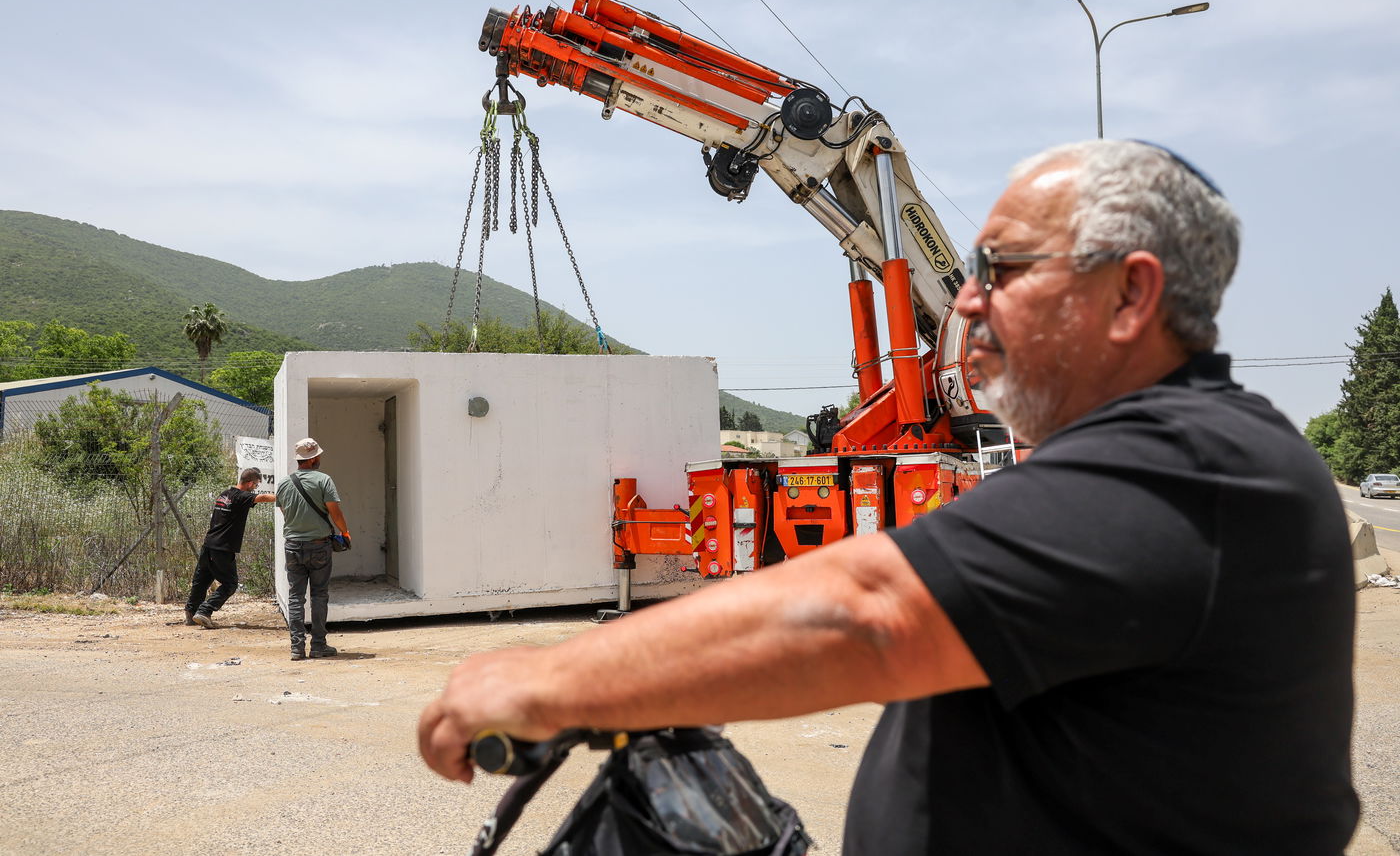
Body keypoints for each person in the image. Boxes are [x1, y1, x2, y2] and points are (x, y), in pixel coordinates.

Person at [417, 140, 1358, 854]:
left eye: (1003, 270)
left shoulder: (1191, 471)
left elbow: (873, 609)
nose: (967, 305)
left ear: (1128, 295)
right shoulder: (1162, 461)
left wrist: (545, 679)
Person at [275, 437, 351, 661]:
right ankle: (319, 645)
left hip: (292, 546)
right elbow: (334, 512)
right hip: (319, 546)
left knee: (296, 598)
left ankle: (297, 648)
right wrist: (345, 532)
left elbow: (284, 511)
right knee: (319, 595)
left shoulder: (284, 483)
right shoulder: (323, 480)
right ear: (314, 458)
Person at [184, 467, 277, 629]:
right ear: (249, 483)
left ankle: (191, 614)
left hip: (209, 544)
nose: (255, 488)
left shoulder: (225, 494)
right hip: (222, 547)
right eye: (255, 485)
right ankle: (204, 611)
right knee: (230, 583)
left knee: (201, 581)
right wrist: (285, 495)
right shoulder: (241, 496)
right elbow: (262, 498)